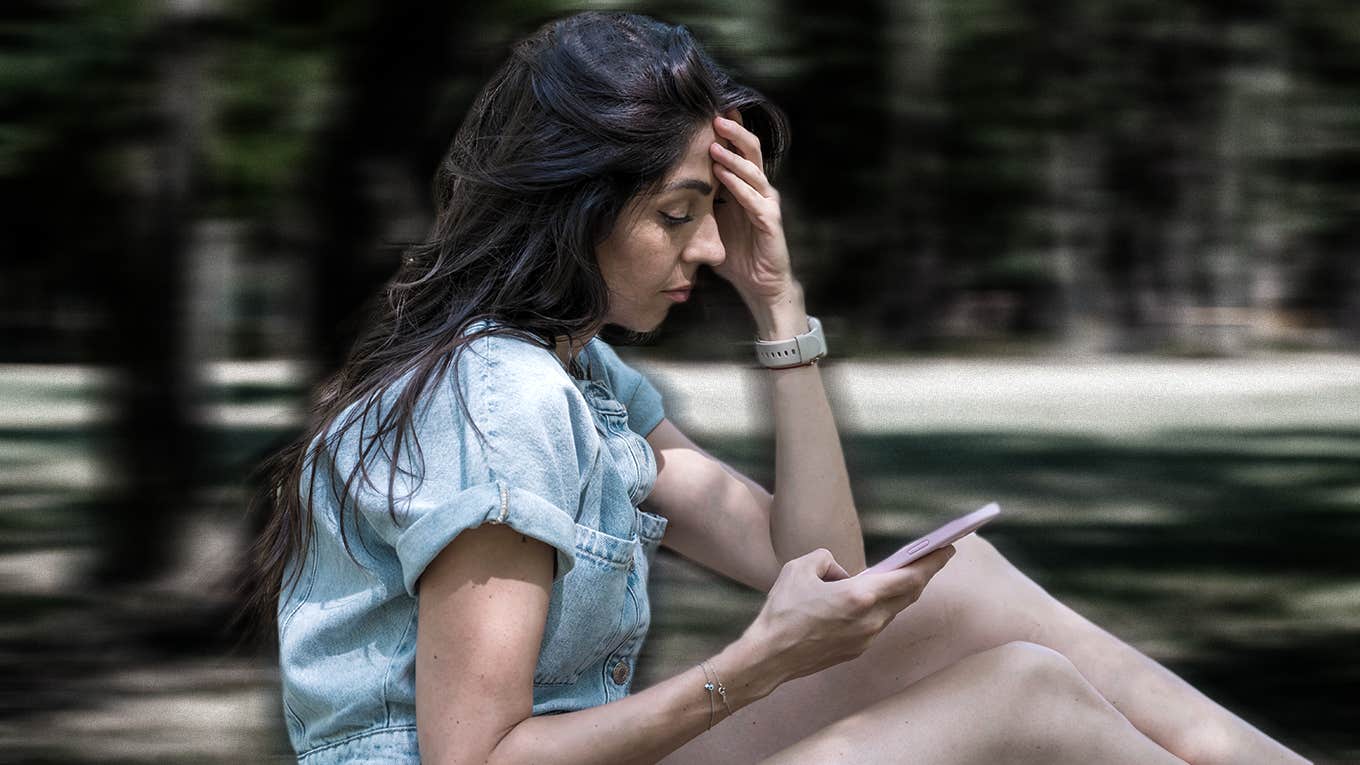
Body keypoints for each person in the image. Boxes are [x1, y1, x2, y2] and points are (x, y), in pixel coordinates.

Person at [246, 10, 1311, 764]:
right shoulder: (498, 403)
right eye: (677, 213)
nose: (708, 246)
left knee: (964, 582)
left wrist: (779, 306)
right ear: (570, 208)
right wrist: (753, 667)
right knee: (1022, 693)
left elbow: (820, 569)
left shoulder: (581, 379)